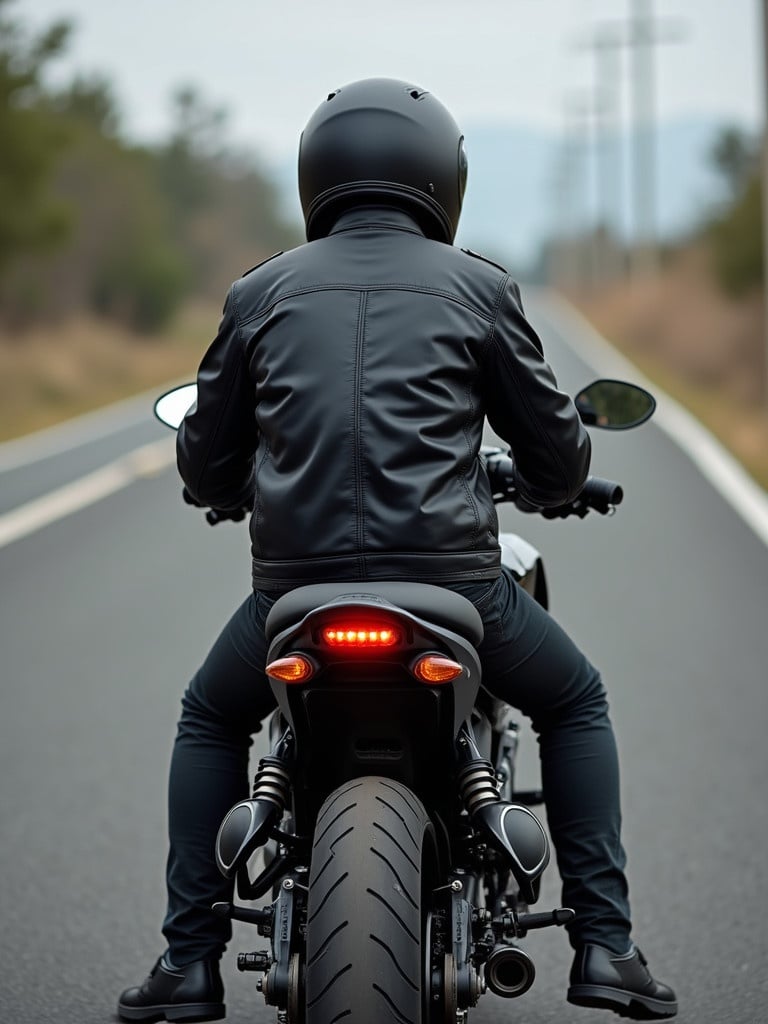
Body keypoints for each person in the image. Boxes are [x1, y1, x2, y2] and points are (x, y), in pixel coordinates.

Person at [118, 78, 677, 1022]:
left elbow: (206, 466)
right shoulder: (483, 287)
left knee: (211, 718)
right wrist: (553, 486)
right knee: (576, 701)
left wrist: (240, 485)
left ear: (318, 178)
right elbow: (552, 450)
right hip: (460, 589)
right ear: (439, 180)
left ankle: (187, 965)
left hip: (291, 595)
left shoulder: (257, 291)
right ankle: (606, 947)